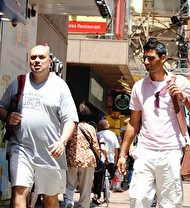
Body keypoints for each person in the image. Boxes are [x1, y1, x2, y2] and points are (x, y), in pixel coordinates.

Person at [117, 38, 190, 208]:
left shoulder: (179, 82)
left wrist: (183, 98)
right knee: (137, 199)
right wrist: (122, 154)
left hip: (171, 151)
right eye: (145, 58)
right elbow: (133, 123)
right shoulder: (139, 87)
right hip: (145, 151)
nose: (146, 62)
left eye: (151, 58)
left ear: (163, 58)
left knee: (169, 203)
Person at [0, 45, 78, 208]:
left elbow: (70, 119)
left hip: (50, 151)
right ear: (29, 60)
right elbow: (2, 107)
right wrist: (7, 116)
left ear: (50, 61)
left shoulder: (60, 86)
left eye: (41, 57)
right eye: (33, 57)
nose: (37, 60)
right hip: (21, 147)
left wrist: (62, 142)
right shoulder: (19, 82)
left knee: (50, 198)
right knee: (20, 190)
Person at [64, 103, 101, 208]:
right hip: (88, 160)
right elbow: (95, 146)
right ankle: (84, 205)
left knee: (70, 184)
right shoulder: (90, 128)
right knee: (85, 187)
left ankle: (68, 201)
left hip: (72, 158)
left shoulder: (70, 127)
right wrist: (98, 158)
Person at [97, 119, 120, 186]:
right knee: (110, 177)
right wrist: (115, 160)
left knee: (99, 178)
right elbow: (116, 148)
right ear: (108, 126)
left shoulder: (97, 134)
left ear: (100, 126)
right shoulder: (113, 134)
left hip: (100, 160)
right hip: (111, 160)